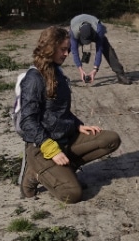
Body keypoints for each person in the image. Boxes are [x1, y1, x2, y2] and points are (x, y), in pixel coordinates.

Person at [16, 26, 122, 203]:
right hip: (42, 146)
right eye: (63, 49)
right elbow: (28, 121)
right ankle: (34, 173)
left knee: (110, 139)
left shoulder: (57, 72)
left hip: (65, 138)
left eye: (68, 49)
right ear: (50, 48)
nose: (67, 54)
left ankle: (67, 167)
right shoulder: (33, 79)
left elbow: (58, 111)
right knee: (72, 194)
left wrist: (78, 124)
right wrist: (50, 149)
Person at [69, 14, 132, 85]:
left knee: (107, 48)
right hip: (76, 24)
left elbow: (99, 50)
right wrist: (80, 69)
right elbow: (74, 52)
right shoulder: (74, 32)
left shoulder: (99, 30)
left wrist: (95, 70)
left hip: (95, 28)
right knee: (66, 46)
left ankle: (120, 75)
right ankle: (55, 73)